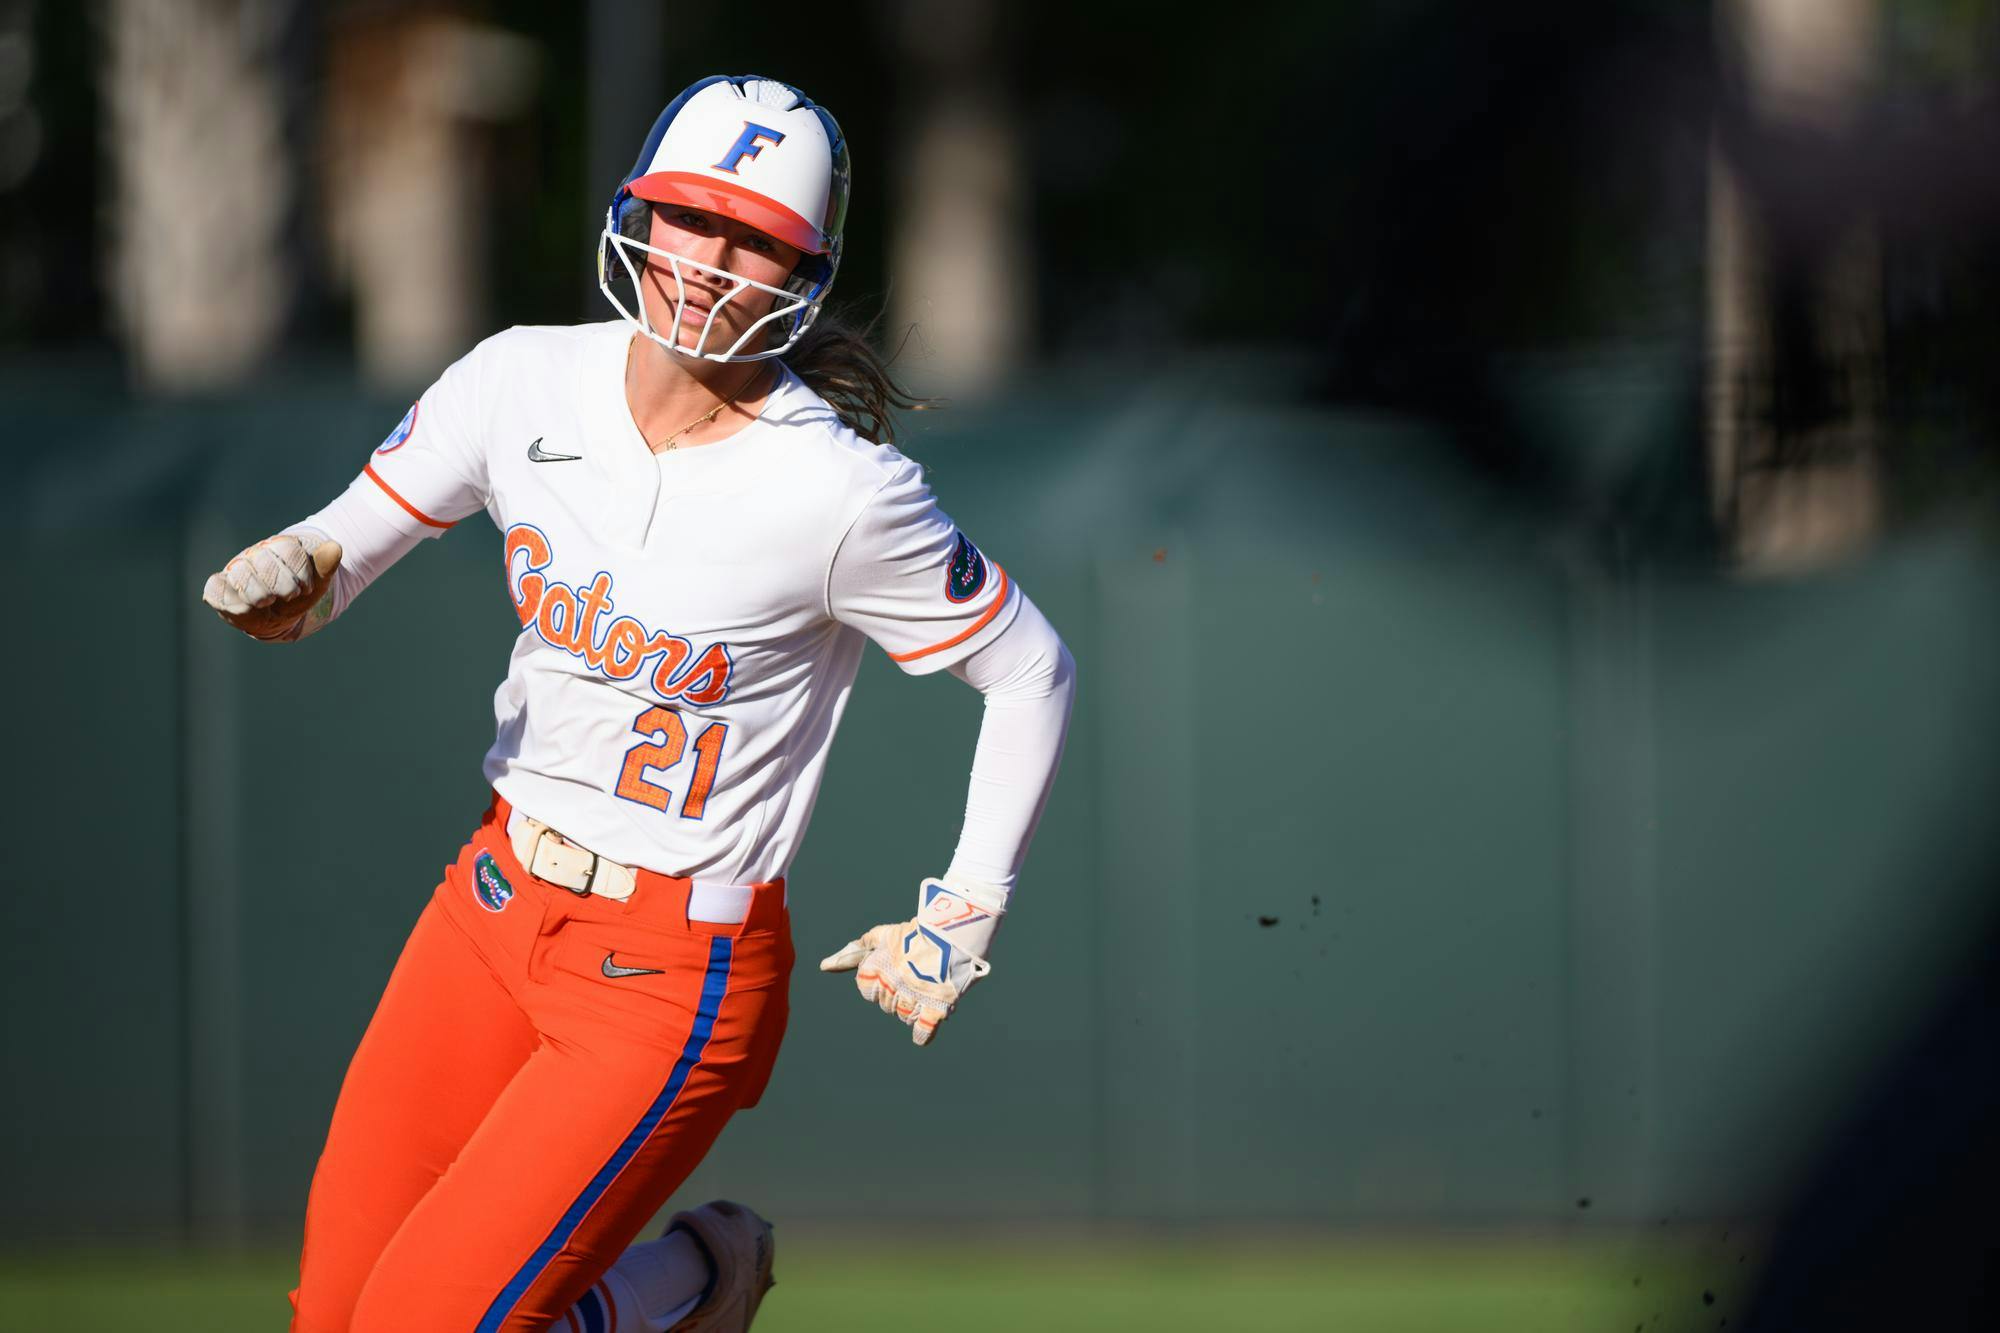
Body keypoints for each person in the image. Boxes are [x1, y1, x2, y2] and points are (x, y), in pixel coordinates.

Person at [201, 73, 1075, 1333]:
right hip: (491, 908)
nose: (711, 260)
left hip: (670, 969)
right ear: (638, 215)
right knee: (332, 1313)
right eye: (689, 216)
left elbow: (1030, 666)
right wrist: (296, 577)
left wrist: (963, 907)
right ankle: (690, 1289)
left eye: (755, 238)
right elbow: (338, 551)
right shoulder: (521, 381)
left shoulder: (839, 490)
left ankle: (681, 1284)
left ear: (805, 270)